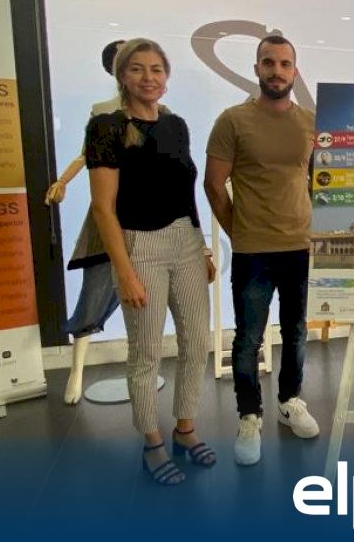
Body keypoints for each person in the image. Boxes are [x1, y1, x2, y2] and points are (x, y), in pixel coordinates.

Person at [85, 38, 217, 485]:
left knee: (197, 343)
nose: (148, 78)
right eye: (138, 69)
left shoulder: (176, 125)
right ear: (122, 76)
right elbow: (103, 208)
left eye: (157, 69)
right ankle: (152, 442)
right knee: (146, 353)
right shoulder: (106, 126)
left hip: (185, 240)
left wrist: (202, 248)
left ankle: (185, 429)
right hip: (138, 245)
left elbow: (186, 192)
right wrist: (124, 272)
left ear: (166, 75)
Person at [204, 34, 320, 467]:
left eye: (285, 64)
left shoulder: (310, 123)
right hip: (253, 252)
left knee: (296, 331)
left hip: (299, 246)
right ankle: (249, 416)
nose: (276, 71)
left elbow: (320, 181)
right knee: (249, 338)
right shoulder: (233, 121)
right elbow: (213, 185)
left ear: (295, 71)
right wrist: (239, 232)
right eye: (268, 62)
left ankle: (290, 401)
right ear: (256, 68)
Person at [46, 39, 125, 406]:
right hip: (109, 209)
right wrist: (63, 180)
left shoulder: (161, 111)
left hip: (147, 214)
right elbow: (85, 155)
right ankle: (77, 369)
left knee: (150, 292)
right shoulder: (102, 111)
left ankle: (140, 366)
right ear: (113, 68)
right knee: (95, 286)